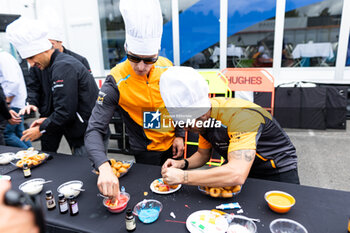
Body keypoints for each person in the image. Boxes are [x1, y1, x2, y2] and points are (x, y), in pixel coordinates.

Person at [85, 0, 184, 200]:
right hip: (145, 149)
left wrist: (180, 134)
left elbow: (178, 103)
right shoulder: (115, 80)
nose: (140, 66)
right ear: (126, 49)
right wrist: (103, 167)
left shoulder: (168, 67)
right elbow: (94, 129)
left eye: (149, 60)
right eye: (134, 58)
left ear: (157, 53)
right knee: (150, 193)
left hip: (173, 143)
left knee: (177, 195)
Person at [160, 66, 299, 188]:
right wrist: (181, 164)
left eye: (187, 125)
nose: (185, 130)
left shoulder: (241, 117)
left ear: (201, 115)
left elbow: (237, 173)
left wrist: (183, 177)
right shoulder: (204, 117)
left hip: (277, 168)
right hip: (242, 165)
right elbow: (203, 155)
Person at [6, 17, 99, 156]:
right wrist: (43, 117)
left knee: (87, 169)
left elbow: (65, 110)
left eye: (31, 57)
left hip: (86, 129)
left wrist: (41, 129)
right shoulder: (58, 63)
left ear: (44, 49)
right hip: (74, 124)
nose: (31, 64)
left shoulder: (63, 66)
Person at [0, 50, 32, 149]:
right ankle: (34, 155)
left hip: (12, 103)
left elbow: (13, 82)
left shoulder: (3, 58)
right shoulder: (5, 56)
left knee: (7, 134)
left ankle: (29, 156)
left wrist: (7, 103)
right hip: (14, 102)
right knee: (21, 134)